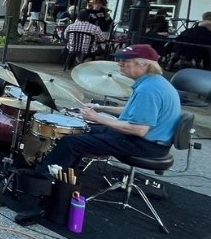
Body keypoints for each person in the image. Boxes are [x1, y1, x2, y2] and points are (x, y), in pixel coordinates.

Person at [37, 44, 181, 174]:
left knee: (71, 142)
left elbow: (138, 129)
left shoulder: (148, 90)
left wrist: (97, 118)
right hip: (146, 140)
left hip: (145, 145)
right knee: (80, 129)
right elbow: (134, 111)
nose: (119, 64)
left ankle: (43, 178)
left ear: (144, 66)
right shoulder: (154, 82)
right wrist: (100, 108)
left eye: (125, 61)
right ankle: (65, 175)